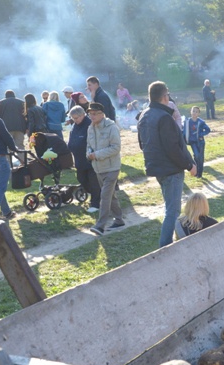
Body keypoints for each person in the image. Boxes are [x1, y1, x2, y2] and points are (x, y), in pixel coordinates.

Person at [137, 81, 197, 247]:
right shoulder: (164, 117)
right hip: (170, 169)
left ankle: (175, 238)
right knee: (173, 211)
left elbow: (142, 144)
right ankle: (165, 247)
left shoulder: (144, 115)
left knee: (171, 208)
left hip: (157, 168)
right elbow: (173, 148)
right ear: (165, 96)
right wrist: (189, 165)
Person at [86, 103, 124, 236]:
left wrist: (97, 155)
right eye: (90, 113)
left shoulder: (111, 127)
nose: (92, 116)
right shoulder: (90, 128)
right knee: (110, 195)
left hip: (112, 167)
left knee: (105, 196)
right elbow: (88, 145)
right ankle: (119, 219)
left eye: (95, 113)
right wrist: (89, 153)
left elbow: (116, 147)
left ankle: (100, 226)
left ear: (102, 114)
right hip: (98, 168)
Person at [67, 106, 101, 213]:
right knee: (81, 179)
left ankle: (96, 204)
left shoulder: (90, 124)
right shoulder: (75, 126)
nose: (75, 120)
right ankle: (100, 196)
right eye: (73, 118)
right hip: (79, 160)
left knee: (93, 182)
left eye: (76, 118)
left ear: (83, 115)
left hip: (91, 160)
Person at [183, 106, 211, 178]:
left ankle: (200, 173)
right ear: (190, 112)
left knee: (200, 157)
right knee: (196, 156)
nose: (194, 113)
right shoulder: (187, 121)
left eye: (196, 112)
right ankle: (196, 171)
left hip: (200, 142)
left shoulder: (201, 122)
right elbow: (184, 131)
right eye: (193, 111)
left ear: (198, 114)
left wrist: (201, 135)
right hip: (193, 142)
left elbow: (207, 129)